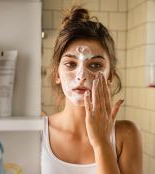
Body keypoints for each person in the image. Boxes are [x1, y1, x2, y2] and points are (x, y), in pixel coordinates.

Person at [41, 6, 142, 174]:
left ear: (110, 76)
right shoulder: (38, 131)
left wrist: (102, 142)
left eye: (95, 65)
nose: (81, 75)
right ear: (56, 74)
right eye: (70, 64)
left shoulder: (127, 135)